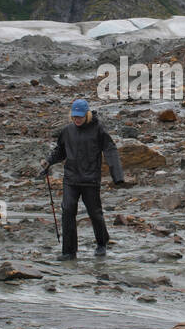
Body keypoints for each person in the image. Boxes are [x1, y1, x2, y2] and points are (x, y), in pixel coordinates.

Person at [40, 99, 125, 260]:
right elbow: (60, 151)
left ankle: (101, 242)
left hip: (90, 179)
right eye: (74, 116)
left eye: (79, 116)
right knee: (68, 211)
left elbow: (110, 149)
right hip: (70, 178)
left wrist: (118, 176)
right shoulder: (67, 131)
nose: (77, 119)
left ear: (86, 114)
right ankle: (69, 252)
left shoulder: (98, 129)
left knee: (95, 213)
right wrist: (48, 162)